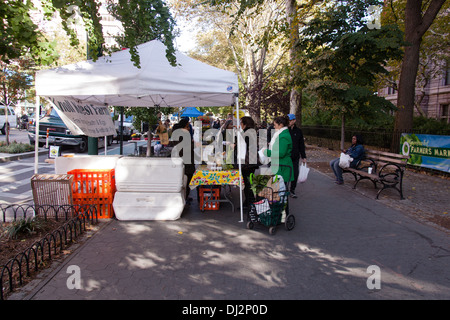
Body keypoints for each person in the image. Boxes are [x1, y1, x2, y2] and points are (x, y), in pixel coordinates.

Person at [262, 116, 294, 185]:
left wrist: (266, 152)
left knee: (280, 190)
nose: (274, 127)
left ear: (281, 125)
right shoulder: (281, 134)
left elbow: (281, 153)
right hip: (279, 164)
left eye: (275, 125)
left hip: (282, 166)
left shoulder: (284, 136)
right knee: (278, 190)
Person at [171, 118, 196, 203]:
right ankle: (183, 199)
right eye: (187, 126)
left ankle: (185, 197)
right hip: (185, 161)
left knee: (186, 180)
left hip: (186, 161)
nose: (189, 128)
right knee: (185, 181)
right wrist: (193, 145)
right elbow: (183, 149)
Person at [237, 116, 259, 208]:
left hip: (248, 162)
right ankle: (249, 201)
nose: (240, 124)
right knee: (248, 182)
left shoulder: (247, 133)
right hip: (251, 161)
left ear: (245, 124)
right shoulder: (252, 132)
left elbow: (244, 146)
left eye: (241, 123)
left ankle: (250, 203)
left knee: (247, 183)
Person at [287, 114, 306, 198]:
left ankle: (292, 190)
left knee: (295, 173)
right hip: (286, 156)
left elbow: (301, 144)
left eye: (290, 120)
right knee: (286, 173)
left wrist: (303, 156)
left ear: (294, 121)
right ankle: (285, 189)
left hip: (295, 156)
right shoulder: (284, 130)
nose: (289, 122)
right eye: (288, 121)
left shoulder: (298, 131)